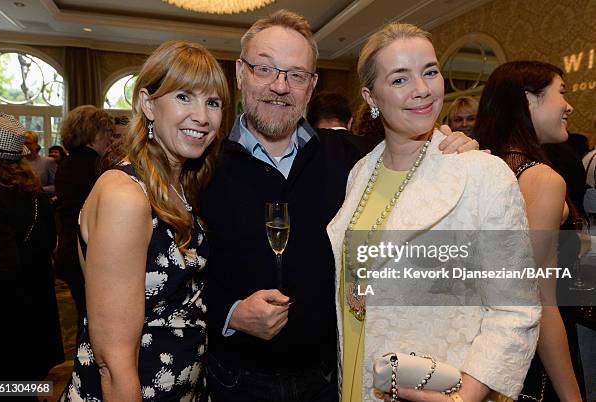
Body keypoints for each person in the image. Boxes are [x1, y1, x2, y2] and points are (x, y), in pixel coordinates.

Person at [200, 10, 478, 402]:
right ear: (240, 73)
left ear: (311, 86)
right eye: (265, 69)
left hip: (330, 377)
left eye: (296, 75)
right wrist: (228, 314)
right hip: (235, 379)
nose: (280, 86)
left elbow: (408, 155)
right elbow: (172, 281)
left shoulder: (353, 159)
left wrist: (446, 144)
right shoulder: (201, 167)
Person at [327, 23, 541, 402]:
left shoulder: (482, 174)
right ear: (370, 95)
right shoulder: (360, 172)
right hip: (358, 375)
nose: (422, 89)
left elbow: (516, 307)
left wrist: (468, 395)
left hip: (436, 387)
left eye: (429, 72)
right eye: (399, 79)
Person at [62, 40, 229, 401]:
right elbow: (113, 362)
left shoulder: (178, 187)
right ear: (148, 104)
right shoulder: (126, 194)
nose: (202, 116)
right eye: (184, 97)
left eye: (212, 102)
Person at [474, 61, 583, 402]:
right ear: (529, 101)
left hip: (485, 355)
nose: (569, 105)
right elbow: (540, 300)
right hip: (535, 364)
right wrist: (571, 396)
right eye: (560, 92)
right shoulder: (541, 179)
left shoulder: (482, 165)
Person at [0, 111, 64, 398]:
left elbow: (2, 267)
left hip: (6, 317)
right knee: (25, 387)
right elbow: (49, 244)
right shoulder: (35, 194)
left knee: (6, 390)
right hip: (35, 306)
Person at [54, 105, 114, 330]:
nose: (110, 139)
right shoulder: (96, 166)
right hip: (88, 254)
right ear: (95, 134)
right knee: (96, 320)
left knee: (85, 315)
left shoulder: (66, 164)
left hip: (69, 249)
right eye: (108, 133)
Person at [24, 130, 56, 195]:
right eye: (23, 144)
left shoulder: (48, 162)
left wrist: (40, 189)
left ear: (36, 144)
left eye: (29, 143)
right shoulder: (17, 163)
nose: (25, 146)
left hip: (42, 200)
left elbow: (56, 186)